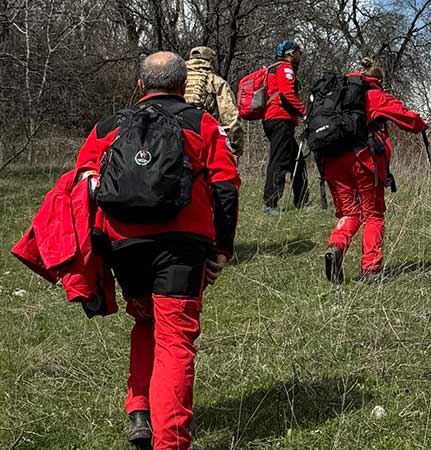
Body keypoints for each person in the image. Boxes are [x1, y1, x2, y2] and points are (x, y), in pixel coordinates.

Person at [74, 51, 240, 450]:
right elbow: (226, 186)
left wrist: (95, 254)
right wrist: (222, 248)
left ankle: (139, 412)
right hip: (183, 245)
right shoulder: (202, 122)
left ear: (140, 86)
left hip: (124, 245)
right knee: (175, 339)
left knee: (146, 321)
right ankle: (171, 442)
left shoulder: (107, 127)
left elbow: (82, 187)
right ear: (184, 87)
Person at [322, 59, 427, 283]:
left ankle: (336, 245)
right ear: (377, 80)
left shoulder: (335, 95)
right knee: (373, 215)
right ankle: (370, 269)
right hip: (363, 161)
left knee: (349, 213)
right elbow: (407, 118)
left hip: (332, 162)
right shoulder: (375, 95)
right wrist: (421, 125)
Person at [262, 39, 308, 215]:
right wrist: (304, 113)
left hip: (275, 119)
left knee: (298, 161)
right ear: (290, 54)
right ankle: (270, 204)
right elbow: (287, 93)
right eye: (298, 52)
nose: (300, 56)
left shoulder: (273, 68)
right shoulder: (285, 68)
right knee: (279, 161)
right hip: (280, 119)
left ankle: (301, 202)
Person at [185, 46, 246, 155]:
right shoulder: (216, 81)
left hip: (176, 138)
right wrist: (235, 147)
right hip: (204, 139)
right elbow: (230, 117)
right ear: (212, 61)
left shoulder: (177, 79)